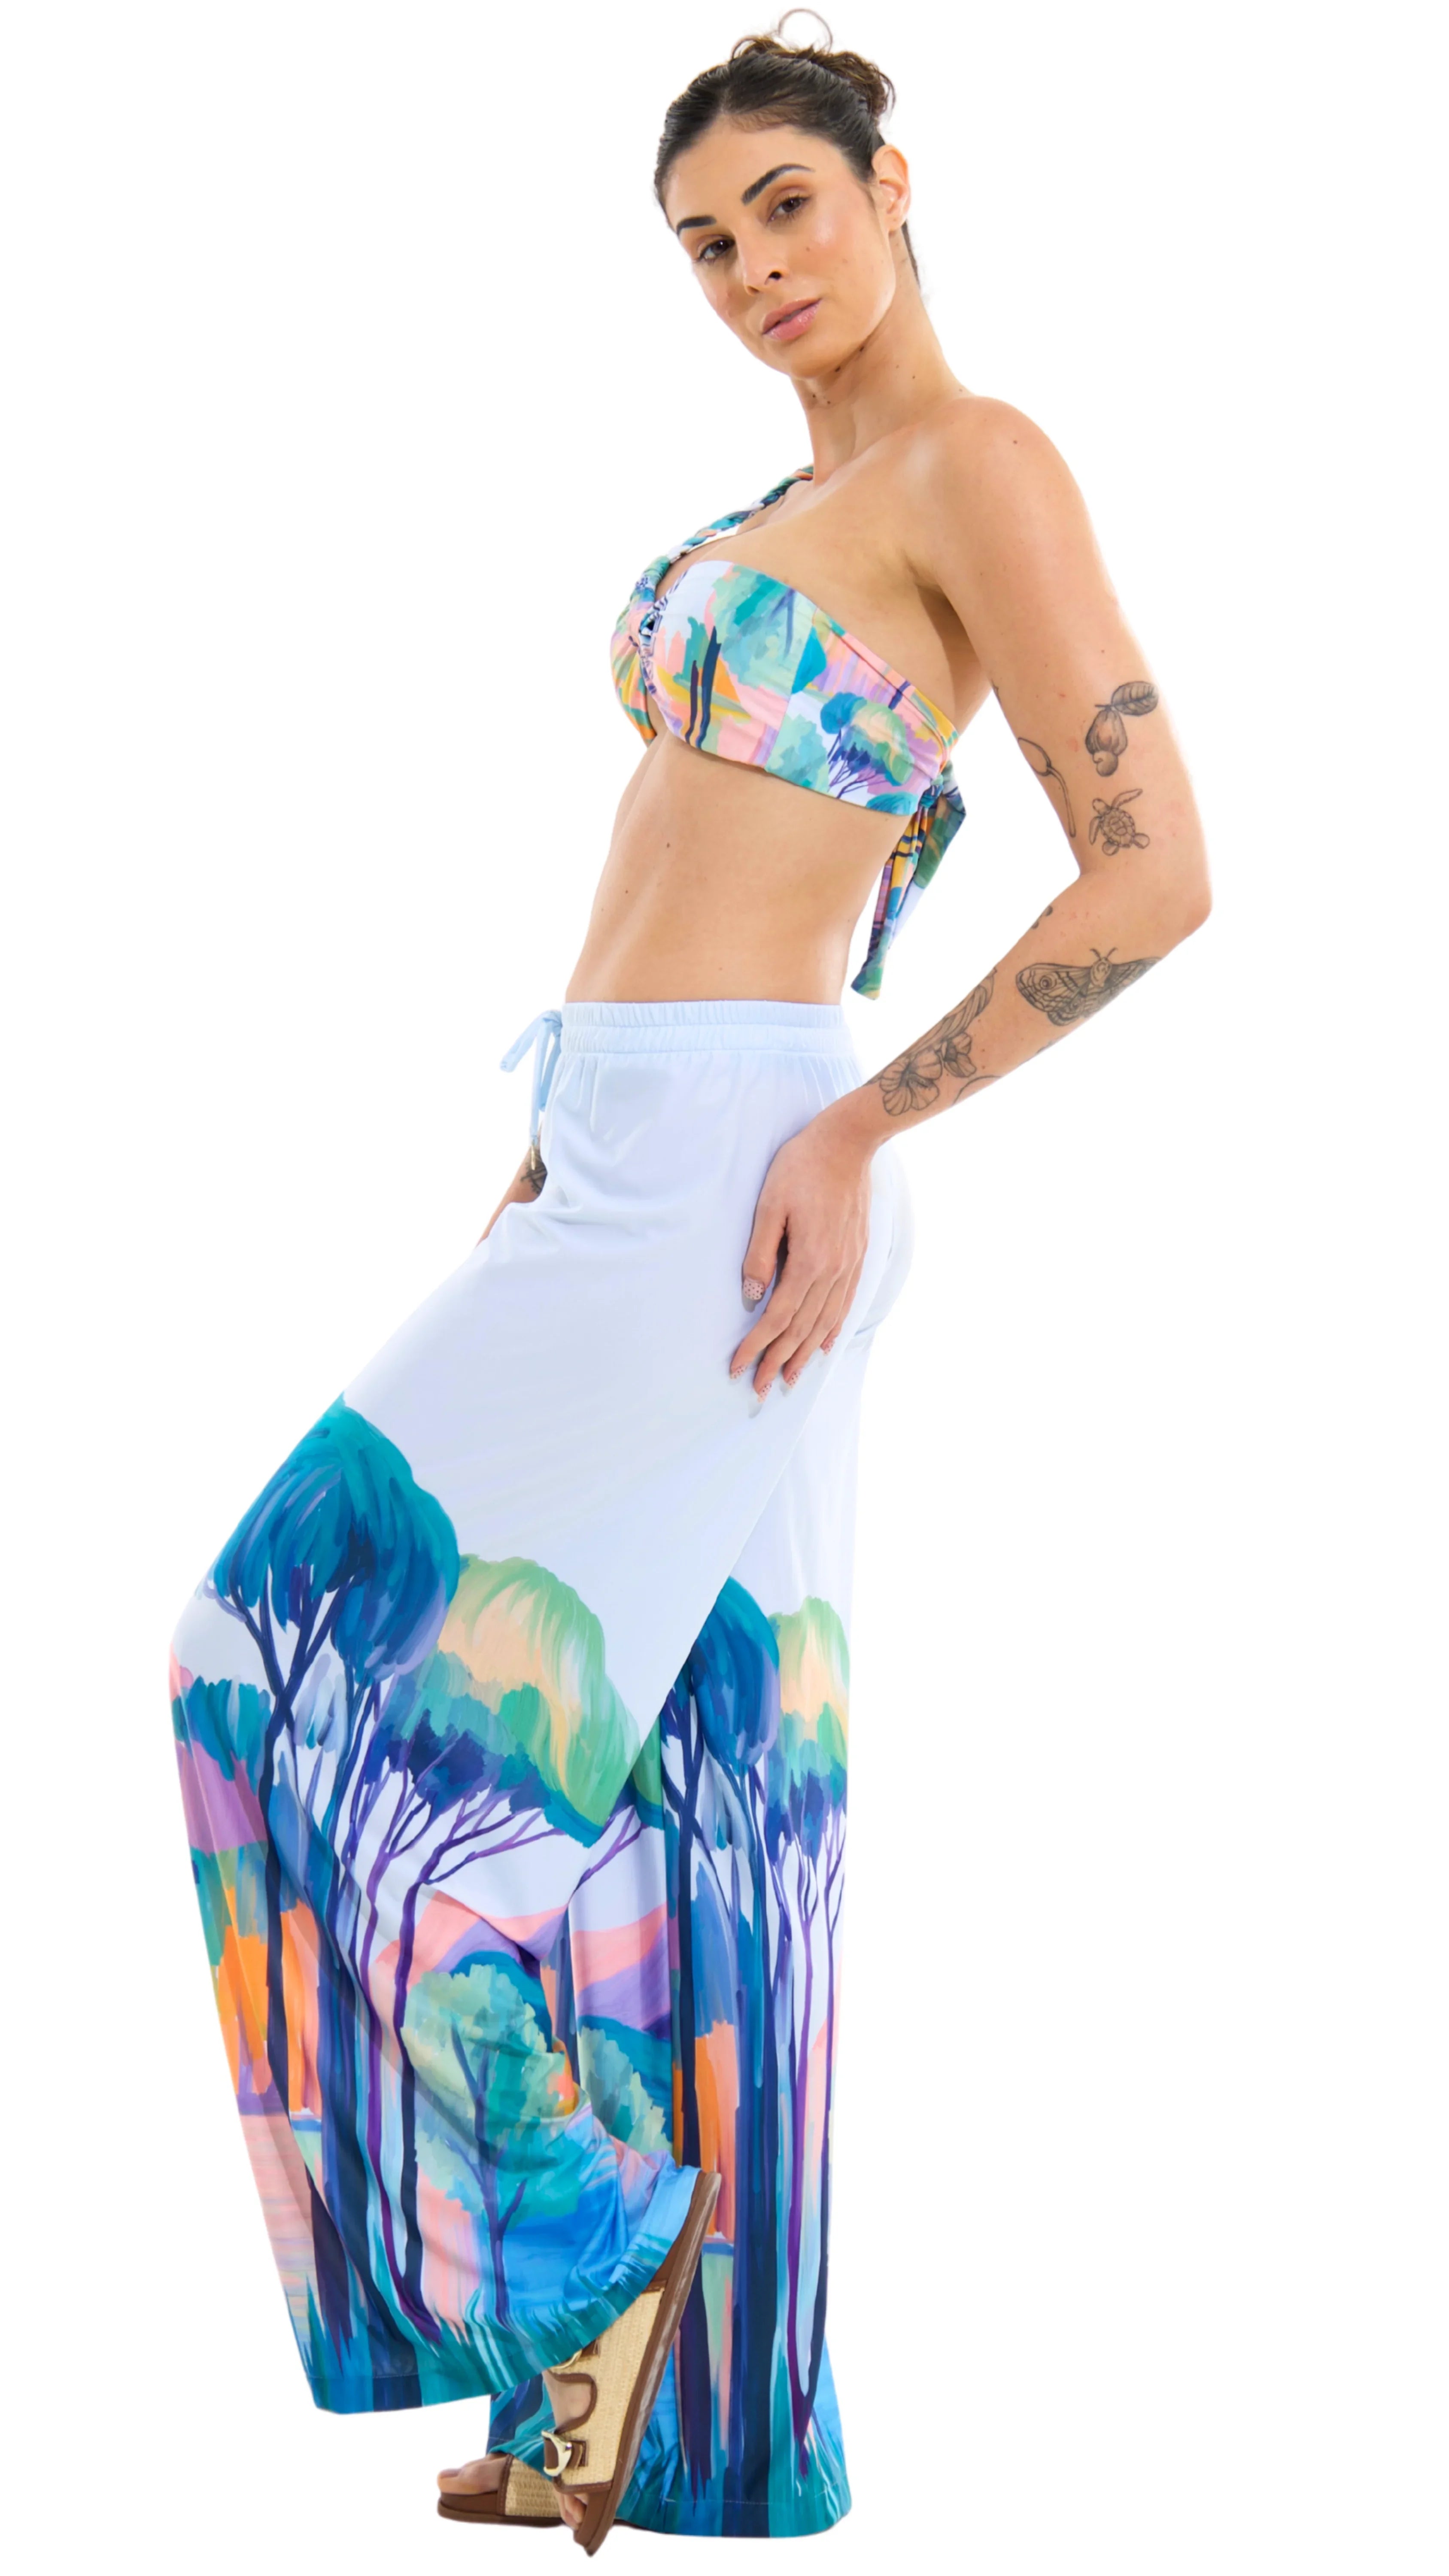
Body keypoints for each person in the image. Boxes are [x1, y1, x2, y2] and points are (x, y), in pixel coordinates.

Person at [167, 16, 1210, 2551]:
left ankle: (589, 2235)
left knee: (255, 1654)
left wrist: (855, 1124)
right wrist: (557, 1145)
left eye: (789, 208)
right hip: (626, 1154)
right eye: (707, 243)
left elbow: (1157, 867)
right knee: (686, 1791)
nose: (755, 269)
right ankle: (644, 2410)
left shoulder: (977, 463)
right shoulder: (795, 497)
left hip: (753, 1167)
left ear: (893, 186)